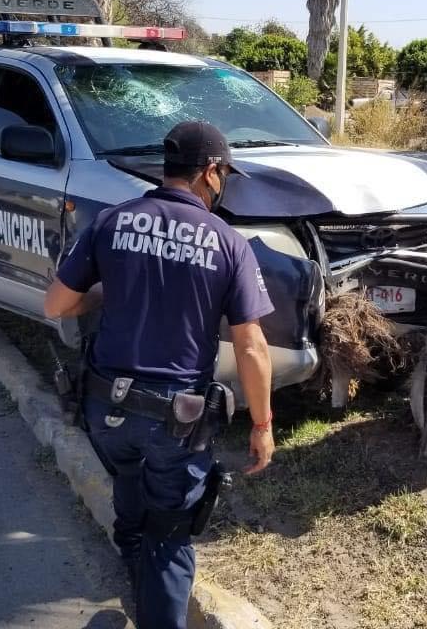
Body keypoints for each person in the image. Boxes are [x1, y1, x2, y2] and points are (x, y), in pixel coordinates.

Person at [44, 121, 276, 629]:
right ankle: (157, 606)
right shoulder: (228, 244)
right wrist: (262, 425)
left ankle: (138, 580)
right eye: (224, 176)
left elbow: (57, 303)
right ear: (210, 173)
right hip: (177, 422)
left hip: (106, 411)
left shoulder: (112, 221)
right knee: (171, 533)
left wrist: (110, 292)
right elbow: (251, 346)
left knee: (130, 489)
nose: (224, 186)